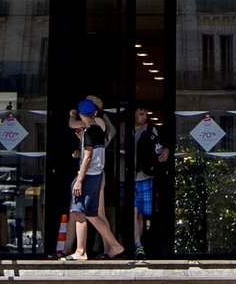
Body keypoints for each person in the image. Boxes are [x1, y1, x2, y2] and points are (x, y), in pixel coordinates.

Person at [64, 99, 125, 260]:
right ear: (95, 112)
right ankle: (114, 245)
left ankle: (81, 251)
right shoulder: (97, 129)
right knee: (90, 214)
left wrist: (79, 179)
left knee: (79, 211)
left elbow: (88, 157)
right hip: (96, 174)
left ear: (82, 115)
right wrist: (82, 140)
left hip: (88, 175)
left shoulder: (89, 131)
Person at [127, 105, 167, 257]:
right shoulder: (125, 129)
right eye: (141, 113)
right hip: (128, 175)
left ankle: (138, 245)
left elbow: (160, 147)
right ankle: (137, 244)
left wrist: (166, 150)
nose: (144, 116)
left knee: (140, 214)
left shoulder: (150, 131)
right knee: (133, 210)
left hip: (144, 175)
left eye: (146, 114)